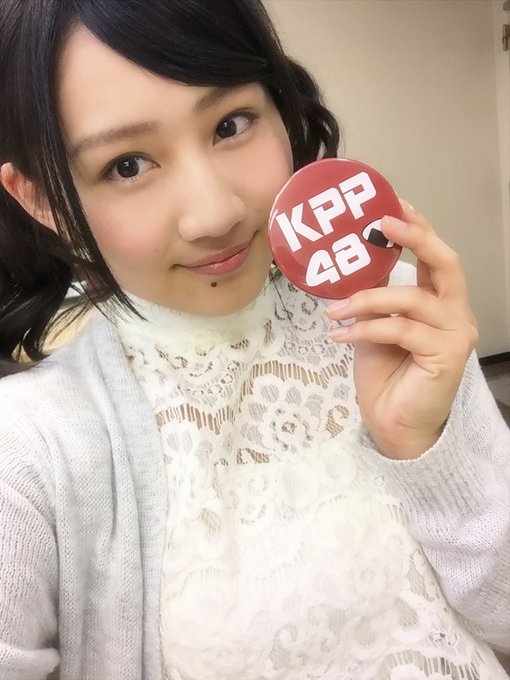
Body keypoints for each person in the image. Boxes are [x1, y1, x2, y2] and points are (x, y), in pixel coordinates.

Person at [0, 1, 508, 678]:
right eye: (126, 165)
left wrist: (424, 452)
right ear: (43, 200)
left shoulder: (394, 313)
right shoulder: (29, 451)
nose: (215, 215)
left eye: (230, 125)